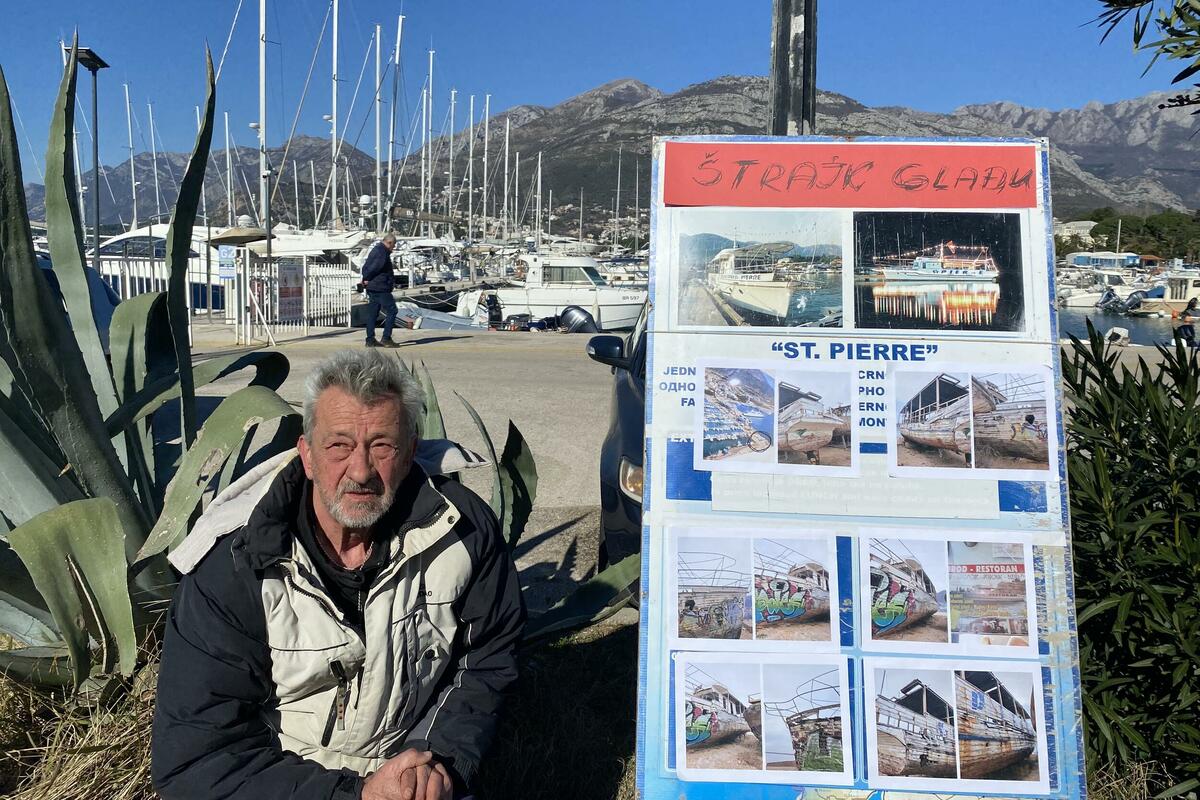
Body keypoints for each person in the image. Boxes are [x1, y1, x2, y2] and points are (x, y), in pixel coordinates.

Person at [152, 349, 524, 800]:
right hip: (287, 783)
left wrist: (437, 761)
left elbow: (486, 658)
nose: (361, 471)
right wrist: (357, 795)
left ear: (409, 454)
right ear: (307, 455)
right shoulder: (235, 564)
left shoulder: (463, 530)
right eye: (339, 446)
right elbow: (197, 759)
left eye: (382, 446)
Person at [362, 234, 399, 348]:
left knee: (373, 313)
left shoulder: (376, 249)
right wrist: (367, 278)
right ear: (389, 243)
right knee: (392, 310)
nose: (393, 248)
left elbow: (366, 267)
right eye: (393, 245)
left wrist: (366, 278)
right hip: (380, 287)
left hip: (373, 287)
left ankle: (370, 339)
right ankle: (386, 338)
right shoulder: (382, 252)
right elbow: (374, 268)